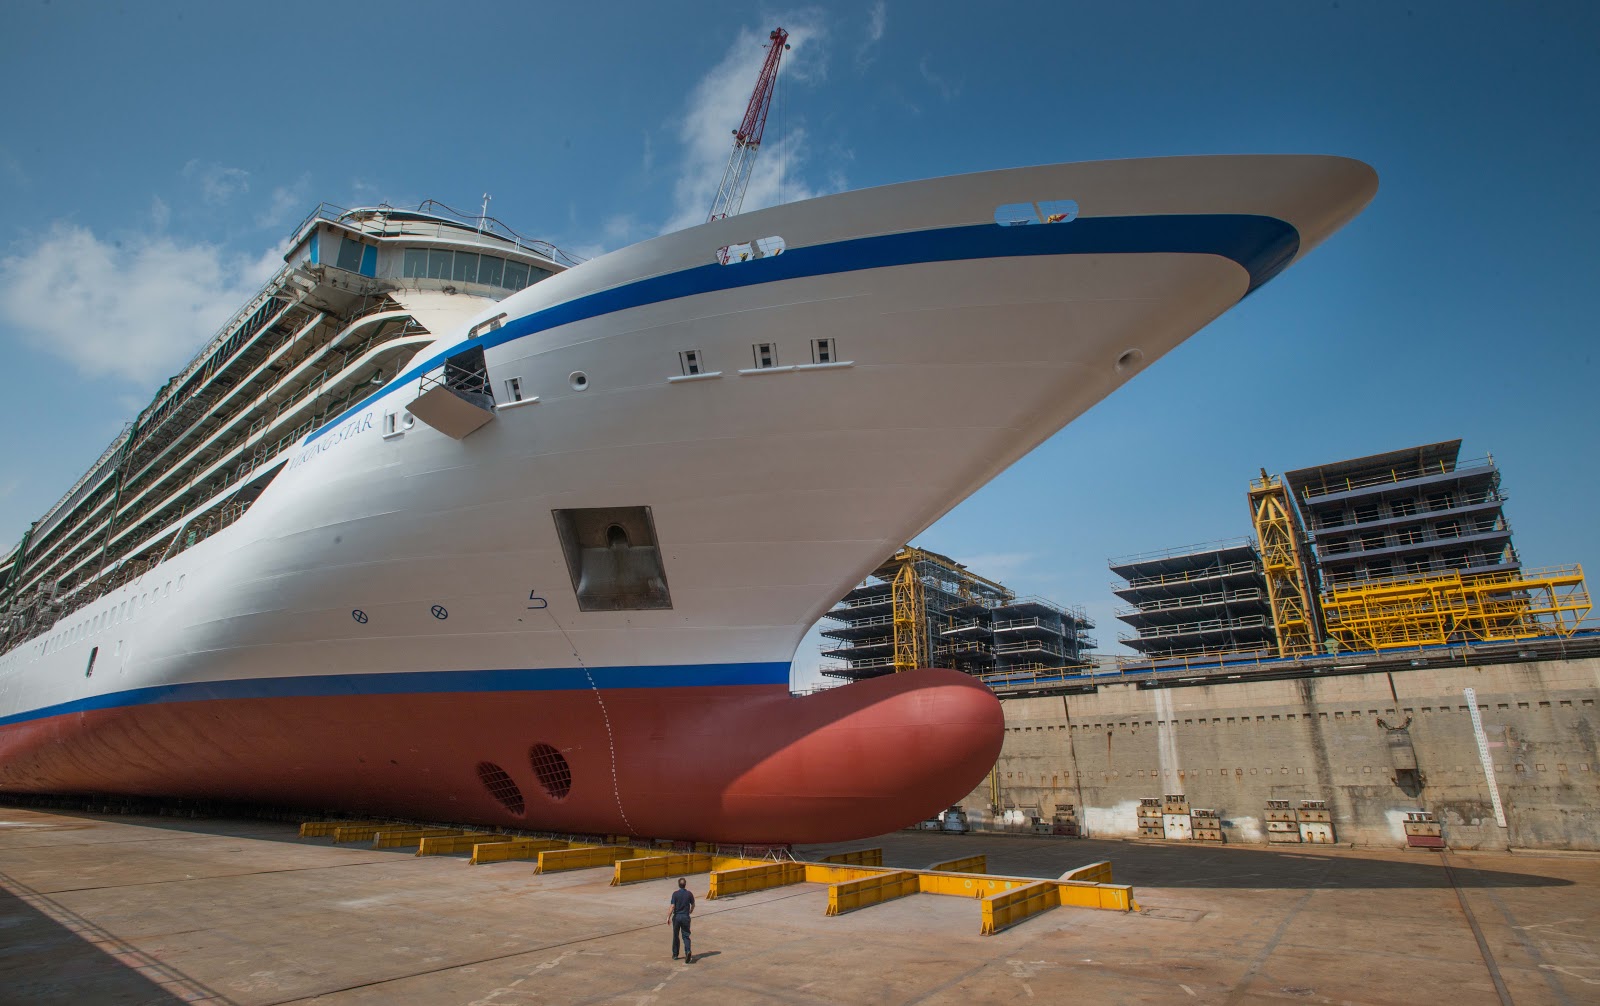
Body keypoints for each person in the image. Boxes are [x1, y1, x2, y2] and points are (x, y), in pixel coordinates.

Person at [668, 877, 695, 963]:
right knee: (686, 935)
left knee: (676, 935)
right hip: (685, 917)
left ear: (679, 885)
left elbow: (672, 906)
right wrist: (691, 910)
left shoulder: (675, 894)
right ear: (685, 884)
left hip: (677, 917)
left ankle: (675, 954)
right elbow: (693, 904)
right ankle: (688, 951)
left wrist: (668, 917)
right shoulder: (689, 894)